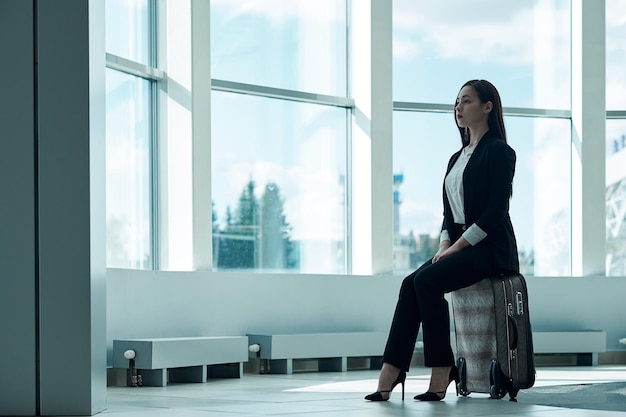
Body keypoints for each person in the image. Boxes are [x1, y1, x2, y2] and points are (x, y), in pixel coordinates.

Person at [365, 79, 520, 402]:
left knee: (427, 283)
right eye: (456, 102)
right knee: (411, 283)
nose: (458, 108)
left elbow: (495, 212)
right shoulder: (456, 158)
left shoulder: (500, 152)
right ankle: (392, 369)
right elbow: (449, 213)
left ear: (487, 107)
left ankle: (442, 368)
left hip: (490, 248)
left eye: (466, 101)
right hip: (460, 244)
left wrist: (460, 246)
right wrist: (444, 245)